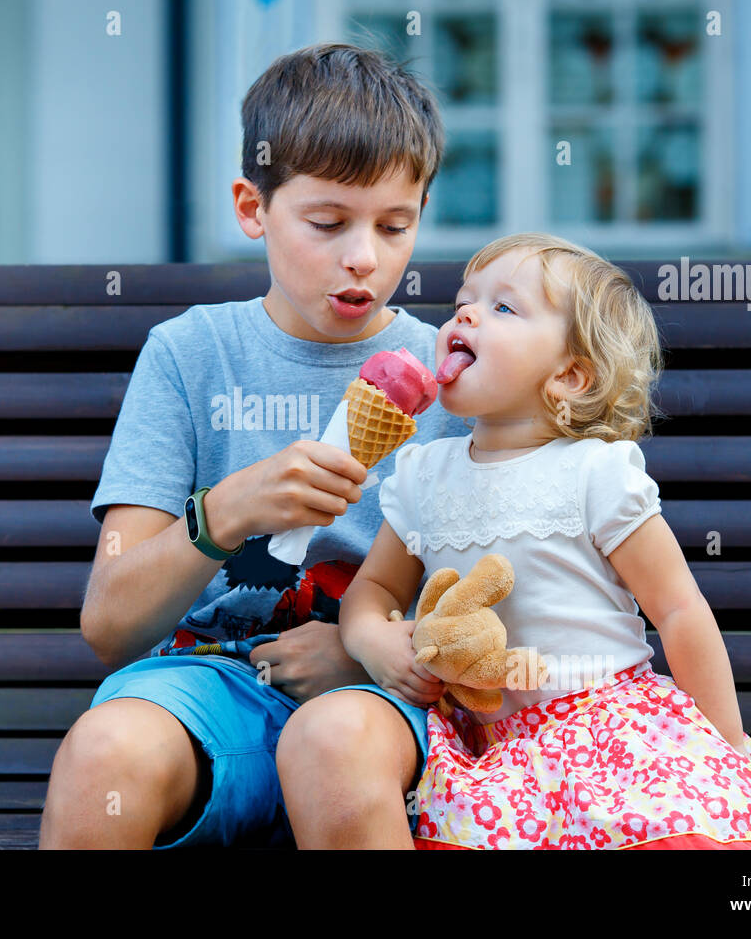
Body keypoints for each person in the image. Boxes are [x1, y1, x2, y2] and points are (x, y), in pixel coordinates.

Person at [39, 42, 472, 849]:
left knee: (335, 745)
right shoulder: (188, 355)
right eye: (327, 223)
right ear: (252, 207)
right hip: (205, 690)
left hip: (385, 707)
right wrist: (226, 512)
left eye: (394, 225)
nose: (364, 258)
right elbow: (110, 625)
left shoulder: (455, 380)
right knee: (104, 754)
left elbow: (512, 606)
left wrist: (366, 649)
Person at [324, 231, 751, 849]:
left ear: (570, 375)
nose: (464, 314)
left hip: (606, 727)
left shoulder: (595, 473)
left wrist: (728, 747)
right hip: (490, 750)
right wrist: (373, 642)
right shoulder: (424, 473)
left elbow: (680, 610)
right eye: (462, 302)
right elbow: (375, 588)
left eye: (503, 307)